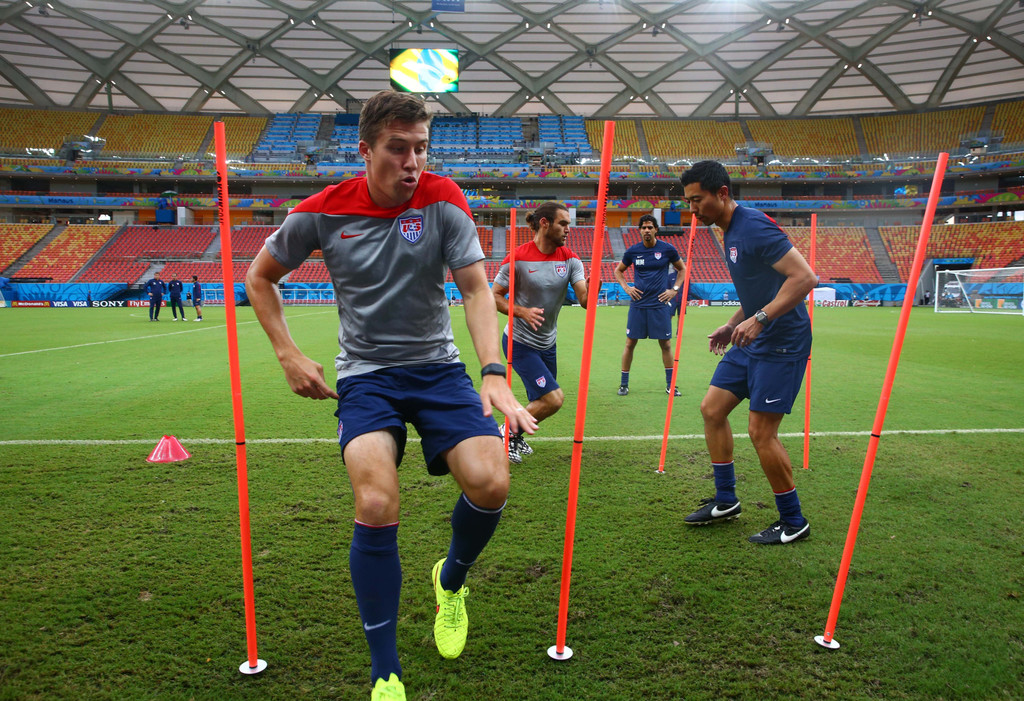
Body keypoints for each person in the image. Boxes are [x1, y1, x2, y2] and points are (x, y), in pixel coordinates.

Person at [244, 89, 536, 701]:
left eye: (421, 149)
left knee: (492, 482)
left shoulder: (443, 198)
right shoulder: (322, 211)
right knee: (376, 500)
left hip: (437, 369)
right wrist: (287, 352)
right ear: (366, 150)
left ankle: (449, 583)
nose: (412, 163)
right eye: (398, 149)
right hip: (366, 376)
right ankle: (385, 670)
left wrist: (492, 368)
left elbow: (478, 291)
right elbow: (259, 277)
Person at [680, 160, 817, 545]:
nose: (692, 210)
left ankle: (794, 521)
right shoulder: (727, 231)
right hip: (751, 338)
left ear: (722, 193)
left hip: (782, 341)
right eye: (688, 202)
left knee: (761, 433)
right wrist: (733, 323)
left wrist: (759, 318)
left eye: (697, 200)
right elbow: (761, 289)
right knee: (712, 409)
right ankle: (726, 500)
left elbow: (805, 278)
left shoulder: (753, 226)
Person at [491, 202, 590, 464]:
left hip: (548, 342)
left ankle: (516, 435)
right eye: (563, 223)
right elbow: (495, 297)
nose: (568, 229)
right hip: (519, 342)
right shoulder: (518, 258)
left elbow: (585, 299)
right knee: (553, 399)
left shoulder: (571, 259)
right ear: (545, 223)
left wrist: (592, 288)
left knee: (540, 400)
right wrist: (522, 312)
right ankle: (503, 434)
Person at [613, 214, 685, 396]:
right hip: (638, 305)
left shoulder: (667, 249)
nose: (647, 230)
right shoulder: (633, 251)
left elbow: (682, 269)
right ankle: (623, 385)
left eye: (650, 227)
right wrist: (626, 288)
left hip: (659, 305)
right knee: (630, 343)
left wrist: (674, 289)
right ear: (639, 230)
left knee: (666, 344)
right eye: (643, 227)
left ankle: (671, 385)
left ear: (655, 230)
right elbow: (618, 271)